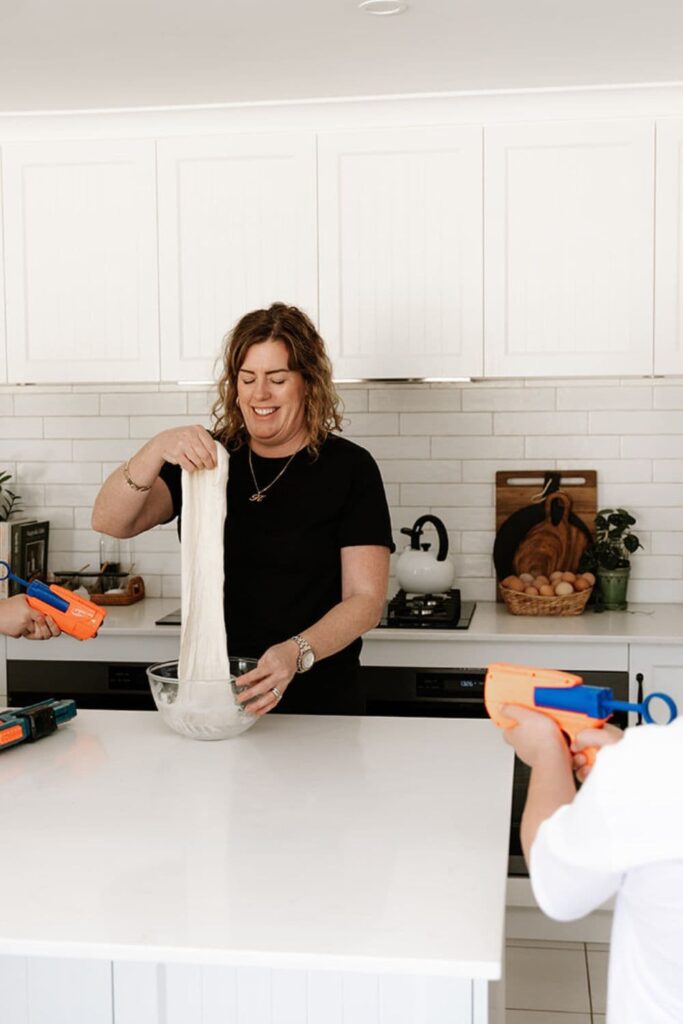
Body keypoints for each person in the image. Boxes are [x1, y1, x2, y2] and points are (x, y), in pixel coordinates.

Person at [92, 303, 394, 716]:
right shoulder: (207, 462)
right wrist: (156, 448)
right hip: (215, 698)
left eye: (277, 379)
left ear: (308, 383)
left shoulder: (350, 469)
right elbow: (110, 521)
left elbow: (365, 600)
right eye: (247, 378)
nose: (259, 394)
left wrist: (296, 653)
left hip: (321, 703)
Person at [501, 703, 683, 1023]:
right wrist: (627, 768)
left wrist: (547, 752)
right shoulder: (656, 761)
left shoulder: (660, 759)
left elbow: (557, 888)